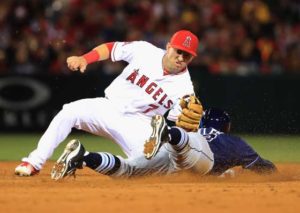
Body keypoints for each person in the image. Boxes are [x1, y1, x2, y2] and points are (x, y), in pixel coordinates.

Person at [15, 30, 200, 176]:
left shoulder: (185, 89)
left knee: (153, 168)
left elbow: (181, 129)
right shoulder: (145, 51)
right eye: (179, 51)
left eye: (187, 55)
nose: (181, 58)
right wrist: (84, 58)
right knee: (69, 112)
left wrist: (190, 130)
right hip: (108, 107)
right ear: (168, 47)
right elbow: (111, 49)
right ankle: (33, 162)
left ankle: (85, 158)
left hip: (140, 125)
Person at [50, 108, 276, 180]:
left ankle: (84, 156)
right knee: (190, 152)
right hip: (193, 151)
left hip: (173, 154)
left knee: (129, 171)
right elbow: (264, 167)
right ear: (226, 126)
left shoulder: (196, 129)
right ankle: (166, 131)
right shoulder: (233, 142)